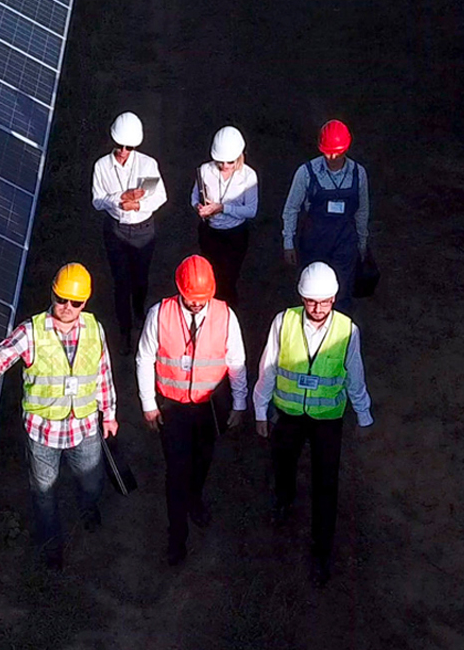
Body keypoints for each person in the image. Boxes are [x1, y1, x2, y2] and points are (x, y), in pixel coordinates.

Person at [0, 263, 118, 569]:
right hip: (43, 434)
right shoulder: (31, 331)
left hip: (85, 427)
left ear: (85, 302)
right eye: (61, 299)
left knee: (91, 483)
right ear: (52, 293)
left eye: (74, 302)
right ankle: (51, 545)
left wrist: (110, 415)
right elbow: (4, 356)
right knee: (44, 493)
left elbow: (103, 374)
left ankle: (89, 512)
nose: (66, 307)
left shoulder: (95, 329)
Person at [252, 262, 372, 586]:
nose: (317, 308)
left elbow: (355, 375)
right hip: (288, 414)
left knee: (326, 485)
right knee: (283, 464)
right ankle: (284, 498)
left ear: (334, 298)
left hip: (327, 421)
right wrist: (260, 410)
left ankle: (322, 552)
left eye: (324, 301)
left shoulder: (348, 331)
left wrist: (363, 414)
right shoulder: (283, 321)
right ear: (301, 297)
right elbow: (268, 368)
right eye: (310, 301)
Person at [136, 255, 247, 566]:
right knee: (176, 473)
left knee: (202, 461)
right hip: (172, 409)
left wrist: (239, 403)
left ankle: (195, 499)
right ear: (179, 291)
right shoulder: (160, 314)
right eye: (191, 299)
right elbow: (145, 358)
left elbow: (236, 362)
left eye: (203, 299)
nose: (197, 304)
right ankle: (177, 537)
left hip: (209, 407)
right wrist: (148, 403)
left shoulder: (226, 316)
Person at [91, 111, 167, 350]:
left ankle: (139, 312)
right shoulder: (102, 166)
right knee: (121, 282)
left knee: (140, 279)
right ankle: (125, 330)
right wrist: (119, 199)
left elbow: (159, 196)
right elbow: (97, 200)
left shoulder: (147, 165)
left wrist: (138, 205)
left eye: (129, 147)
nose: (124, 152)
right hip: (116, 230)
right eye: (120, 146)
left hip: (144, 230)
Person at [281, 119, 371, 313]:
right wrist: (288, 241)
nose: (331, 157)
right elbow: (291, 208)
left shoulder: (358, 174)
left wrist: (362, 244)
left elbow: (362, 211)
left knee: (342, 293)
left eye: (337, 152)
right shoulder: (306, 173)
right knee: (312, 292)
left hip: (345, 244)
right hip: (314, 244)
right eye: (327, 152)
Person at [191, 125, 258, 303]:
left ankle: (228, 314)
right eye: (220, 162)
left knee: (229, 279)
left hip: (235, 235)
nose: (224, 166)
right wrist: (199, 207)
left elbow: (251, 210)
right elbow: (194, 196)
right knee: (210, 276)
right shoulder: (205, 170)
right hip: (210, 233)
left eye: (230, 162)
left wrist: (222, 208)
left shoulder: (249, 176)